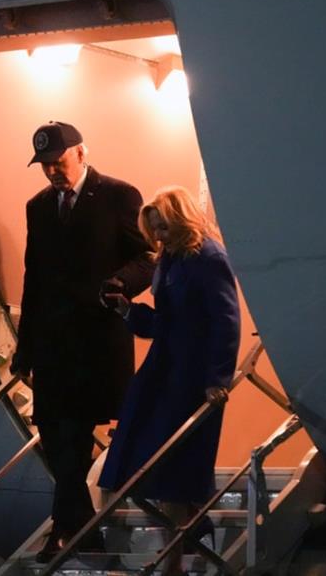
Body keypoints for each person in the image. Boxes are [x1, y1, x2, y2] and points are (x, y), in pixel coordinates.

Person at [10, 121, 154, 563]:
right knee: (57, 436)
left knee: (71, 436)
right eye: (46, 165)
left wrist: (119, 285)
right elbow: (34, 278)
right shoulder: (38, 207)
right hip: (54, 345)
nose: (53, 171)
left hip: (98, 340)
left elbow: (147, 255)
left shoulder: (118, 195)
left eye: (59, 161)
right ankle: (77, 529)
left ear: (81, 152)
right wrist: (25, 350)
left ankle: (67, 530)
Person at [98, 186, 240, 575]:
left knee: (173, 471)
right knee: (148, 464)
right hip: (164, 370)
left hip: (189, 377)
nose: (158, 236)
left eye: (162, 226)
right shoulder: (172, 260)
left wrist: (217, 377)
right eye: (154, 229)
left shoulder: (208, 257)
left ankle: (174, 562)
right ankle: (180, 548)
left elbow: (226, 320)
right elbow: (166, 322)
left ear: (180, 219)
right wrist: (129, 310)